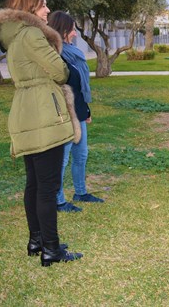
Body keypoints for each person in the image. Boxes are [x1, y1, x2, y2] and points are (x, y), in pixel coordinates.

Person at [0, 0, 82, 266]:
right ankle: (52, 250)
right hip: (44, 112)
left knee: (34, 184)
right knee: (47, 187)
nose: (48, 10)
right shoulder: (32, 34)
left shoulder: (13, 37)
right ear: (31, 7)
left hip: (25, 110)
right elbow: (59, 71)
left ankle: (37, 240)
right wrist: (64, 67)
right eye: (43, 5)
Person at [48, 11, 103, 213]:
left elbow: (79, 86)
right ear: (62, 31)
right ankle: (58, 200)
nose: (75, 34)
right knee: (62, 160)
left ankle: (80, 192)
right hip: (63, 115)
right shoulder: (54, 55)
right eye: (72, 30)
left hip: (78, 111)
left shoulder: (73, 52)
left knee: (81, 155)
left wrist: (86, 110)